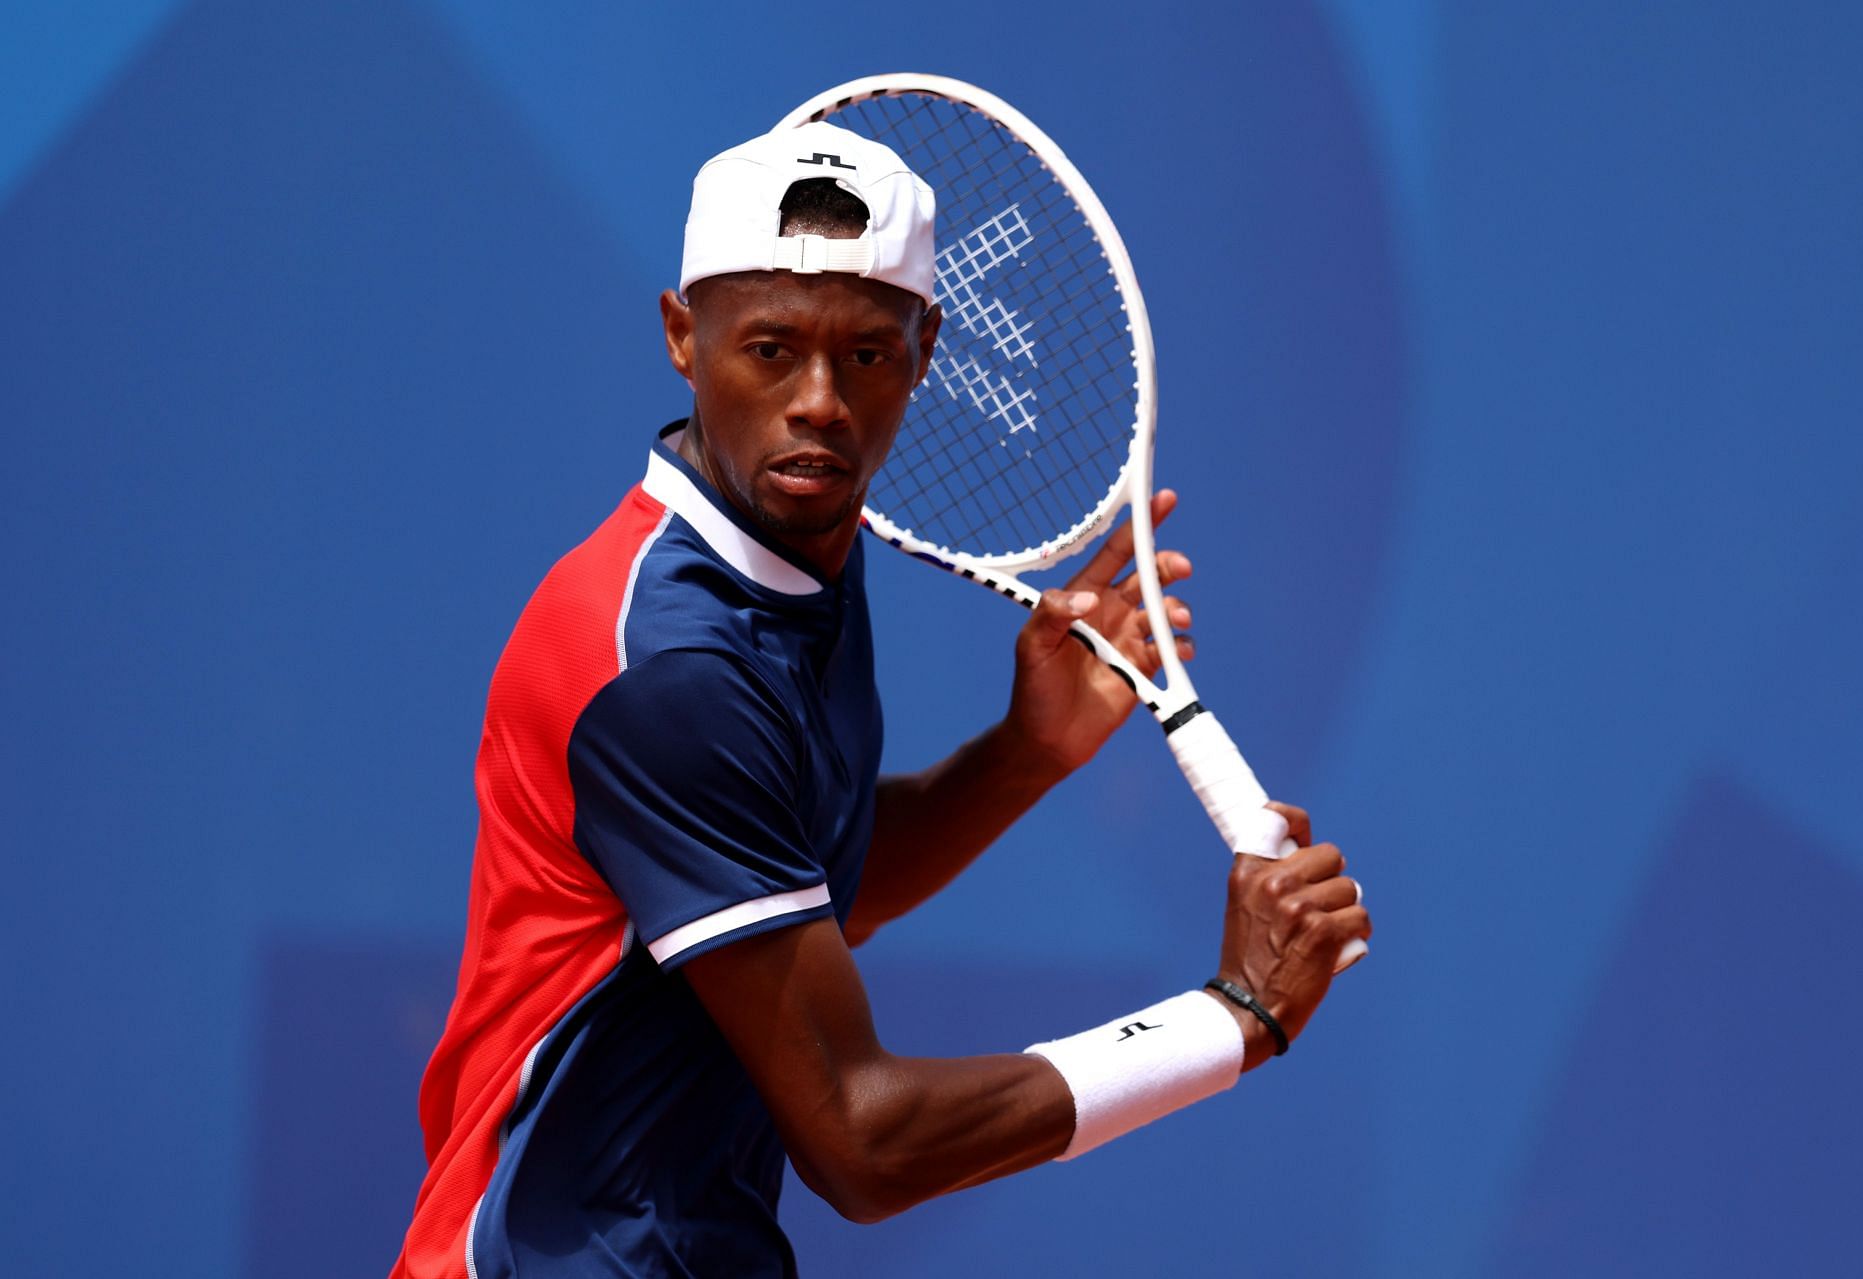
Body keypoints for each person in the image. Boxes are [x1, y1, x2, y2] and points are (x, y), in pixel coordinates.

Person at [392, 120, 1370, 1279]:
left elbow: (797, 882)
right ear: (680, 336)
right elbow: (863, 1139)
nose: (821, 402)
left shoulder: (791, 546)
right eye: (770, 349)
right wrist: (1234, 1017)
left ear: (925, 350)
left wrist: (1020, 758)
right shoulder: (670, 670)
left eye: (866, 355)